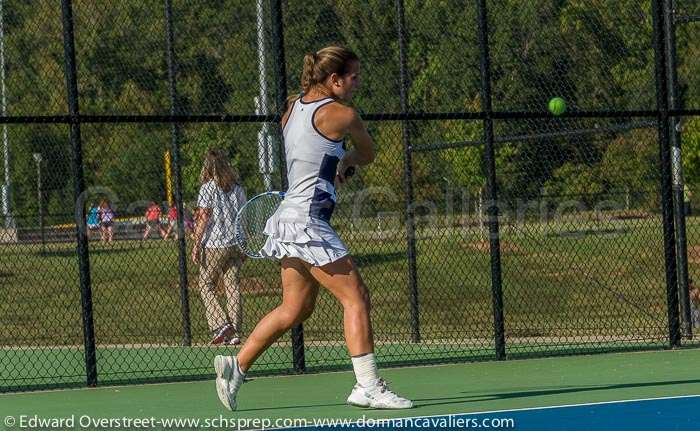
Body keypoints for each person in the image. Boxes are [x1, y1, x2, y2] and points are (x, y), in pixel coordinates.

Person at [213, 46, 413, 411]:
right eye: (353, 77)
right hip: (307, 222)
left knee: (295, 308)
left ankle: (235, 366)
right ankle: (367, 386)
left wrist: (333, 163)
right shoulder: (343, 115)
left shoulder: (292, 108)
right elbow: (367, 154)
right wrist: (348, 159)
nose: (357, 83)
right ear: (334, 80)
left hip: (289, 217)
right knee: (356, 297)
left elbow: (313, 152)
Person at [191, 149, 247, 347]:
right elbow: (243, 215)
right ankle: (234, 332)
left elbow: (204, 217)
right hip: (235, 242)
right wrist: (244, 242)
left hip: (215, 244)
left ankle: (221, 324)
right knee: (232, 285)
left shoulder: (208, 188)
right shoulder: (237, 188)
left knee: (205, 285)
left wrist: (196, 244)